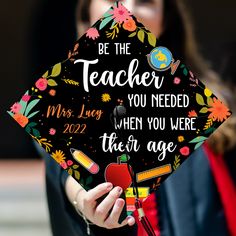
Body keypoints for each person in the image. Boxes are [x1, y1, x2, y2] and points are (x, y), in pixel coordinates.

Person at [40, 0, 236, 235]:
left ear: (166, 19)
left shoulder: (211, 106)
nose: (128, 11)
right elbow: (64, 169)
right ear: (87, 14)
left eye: (145, 1)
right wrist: (85, 199)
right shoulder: (66, 105)